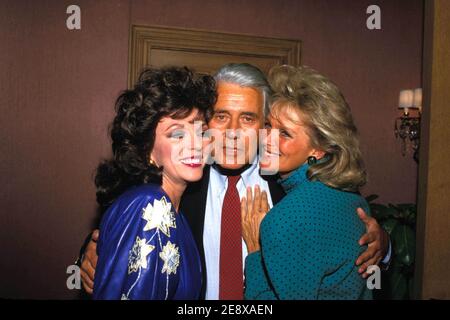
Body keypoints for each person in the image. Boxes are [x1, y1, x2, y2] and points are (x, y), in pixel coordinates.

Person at [79, 63, 390, 299]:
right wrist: (91, 254)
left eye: (248, 118)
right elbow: (118, 227)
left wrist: (383, 245)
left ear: (265, 126)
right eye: (221, 116)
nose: (231, 132)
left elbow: (345, 223)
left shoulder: (295, 187)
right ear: (205, 120)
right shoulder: (177, 179)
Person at [242, 65, 374, 299]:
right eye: (268, 126)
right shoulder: (355, 202)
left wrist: (255, 252)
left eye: (285, 133)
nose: (267, 139)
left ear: (319, 149)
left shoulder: (285, 219)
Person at [91, 66, 216, 299]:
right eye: (177, 134)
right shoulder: (151, 206)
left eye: (201, 131)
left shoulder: (175, 213)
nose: (196, 144)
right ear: (146, 148)